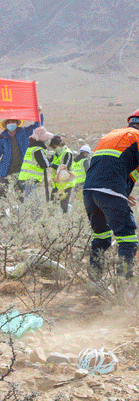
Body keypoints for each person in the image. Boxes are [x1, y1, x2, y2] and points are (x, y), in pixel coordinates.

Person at [82, 109, 139, 279]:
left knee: (101, 238)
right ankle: (125, 288)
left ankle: (94, 281)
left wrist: (121, 191)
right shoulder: (137, 137)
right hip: (110, 191)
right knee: (128, 239)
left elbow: (109, 165)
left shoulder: (111, 135)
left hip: (90, 191)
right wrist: (116, 191)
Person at [0, 110, 44, 198]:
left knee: (19, 189)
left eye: (13, 121)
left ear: (17, 123)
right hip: (6, 166)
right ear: (6, 125)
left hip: (20, 166)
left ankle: (20, 208)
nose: (11, 123)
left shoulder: (24, 132)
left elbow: (37, 126)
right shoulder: (2, 137)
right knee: (2, 189)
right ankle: (1, 208)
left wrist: (39, 114)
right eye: (9, 122)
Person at [17, 126, 53, 202]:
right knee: (34, 204)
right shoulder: (38, 149)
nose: (47, 140)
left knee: (30, 202)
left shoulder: (31, 148)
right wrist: (52, 163)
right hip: (29, 180)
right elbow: (45, 164)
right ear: (42, 139)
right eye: (46, 139)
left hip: (24, 178)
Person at [48, 135, 75, 212]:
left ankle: (66, 220)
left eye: (54, 147)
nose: (54, 149)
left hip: (66, 184)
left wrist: (52, 165)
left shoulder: (67, 153)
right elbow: (49, 161)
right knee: (52, 203)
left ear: (60, 144)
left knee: (64, 205)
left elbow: (65, 168)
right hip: (57, 184)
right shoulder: (55, 154)